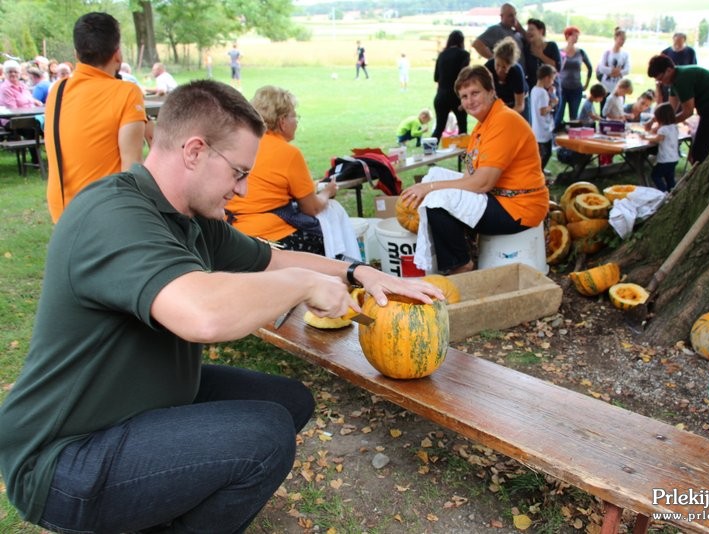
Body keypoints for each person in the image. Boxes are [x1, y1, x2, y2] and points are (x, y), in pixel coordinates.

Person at [0, 79, 443, 534]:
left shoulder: (188, 216)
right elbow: (203, 315)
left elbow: (275, 257)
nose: (244, 191)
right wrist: (302, 285)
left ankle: (155, 505)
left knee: (288, 402)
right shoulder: (112, 215)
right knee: (266, 435)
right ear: (194, 151)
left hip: (135, 405)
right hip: (63, 460)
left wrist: (359, 273)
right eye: (238, 172)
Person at [399, 65, 548, 275]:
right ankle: (457, 252)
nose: (470, 101)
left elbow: (482, 183)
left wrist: (430, 188)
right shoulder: (482, 125)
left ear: (490, 91)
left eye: (475, 93)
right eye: (464, 96)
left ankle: (460, 265)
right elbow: (471, 176)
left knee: (436, 201)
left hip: (520, 208)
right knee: (434, 176)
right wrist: (431, 184)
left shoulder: (504, 121)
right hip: (499, 198)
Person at [224, 85, 355, 257]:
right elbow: (312, 208)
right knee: (329, 236)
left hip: (231, 233)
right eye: (295, 115)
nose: (297, 121)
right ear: (282, 121)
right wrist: (327, 193)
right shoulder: (288, 153)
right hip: (271, 237)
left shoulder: (237, 143)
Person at [44, 12, 147, 223]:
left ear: (76, 53)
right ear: (118, 54)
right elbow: (132, 167)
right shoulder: (127, 92)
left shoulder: (58, 90)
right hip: (106, 212)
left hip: (64, 212)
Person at [646, 54, 709, 164]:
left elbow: (687, 112)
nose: (661, 83)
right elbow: (669, 109)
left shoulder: (682, 79)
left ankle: (700, 172)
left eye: (660, 78)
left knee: (700, 150)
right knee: (698, 149)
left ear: (669, 70)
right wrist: (653, 121)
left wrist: (664, 124)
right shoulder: (675, 80)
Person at [432, 30, 470, 140]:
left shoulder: (441, 55)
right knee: (462, 130)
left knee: (439, 128)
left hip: (441, 96)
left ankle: (429, 152)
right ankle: (463, 158)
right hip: (457, 96)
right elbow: (464, 76)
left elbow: (436, 77)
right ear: (462, 41)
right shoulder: (464, 55)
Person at [523, 19, 560, 129]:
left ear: (541, 31)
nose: (529, 32)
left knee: (550, 119)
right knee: (534, 120)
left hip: (550, 88)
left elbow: (557, 67)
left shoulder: (551, 46)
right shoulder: (526, 49)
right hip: (534, 90)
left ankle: (548, 142)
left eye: (532, 29)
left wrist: (540, 55)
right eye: (527, 29)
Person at [557, 26, 593, 130]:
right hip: (562, 87)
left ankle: (573, 136)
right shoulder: (560, 52)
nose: (576, 38)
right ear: (568, 36)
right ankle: (557, 136)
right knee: (559, 113)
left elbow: (590, 68)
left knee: (574, 115)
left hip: (576, 88)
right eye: (574, 36)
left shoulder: (580, 52)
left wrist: (586, 84)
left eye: (577, 36)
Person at [485, 36, 526, 117]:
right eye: (497, 65)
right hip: (499, 100)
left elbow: (520, 105)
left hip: (517, 101)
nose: (500, 70)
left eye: (504, 67)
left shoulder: (516, 72)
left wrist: (506, 116)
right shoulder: (488, 67)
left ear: (510, 66)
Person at [647, 102, 680, 192]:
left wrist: (646, 137)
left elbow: (658, 139)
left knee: (655, 175)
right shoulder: (674, 127)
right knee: (669, 177)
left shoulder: (663, 129)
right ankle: (672, 191)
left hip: (665, 159)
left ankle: (663, 191)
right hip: (674, 158)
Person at [531, 64, 558, 170]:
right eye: (552, 80)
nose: (552, 82)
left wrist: (552, 95)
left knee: (540, 154)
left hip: (537, 129)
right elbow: (542, 111)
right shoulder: (542, 93)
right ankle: (539, 172)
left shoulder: (534, 90)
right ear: (547, 78)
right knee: (546, 153)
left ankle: (539, 171)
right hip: (543, 130)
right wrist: (553, 104)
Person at [658, 32, 697, 102]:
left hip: (684, 85)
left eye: (680, 43)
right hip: (667, 85)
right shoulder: (665, 52)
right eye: (676, 42)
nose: (677, 45)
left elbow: (694, 68)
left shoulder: (690, 52)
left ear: (684, 41)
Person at [597, 28, 630, 109]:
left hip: (619, 88)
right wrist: (612, 71)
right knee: (604, 111)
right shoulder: (607, 53)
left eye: (624, 39)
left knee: (618, 111)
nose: (623, 41)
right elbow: (601, 68)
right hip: (606, 87)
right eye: (621, 39)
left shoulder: (625, 54)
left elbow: (627, 70)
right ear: (615, 38)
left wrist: (618, 72)